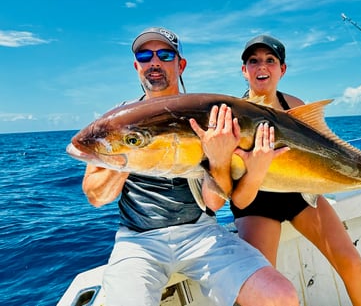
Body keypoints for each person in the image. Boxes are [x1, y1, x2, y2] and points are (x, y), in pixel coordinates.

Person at [81, 27, 299, 306]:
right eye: (145, 55)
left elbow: (213, 203)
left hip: (201, 232)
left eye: (165, 55)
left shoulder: (207, 115)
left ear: (180, 64)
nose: (154, 62)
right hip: (138, 241)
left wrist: (218, 158)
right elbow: (96, 196)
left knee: (280, 295)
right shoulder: (117, 121)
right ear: (136, 66)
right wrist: (128, 146)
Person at [230, 35, 361, 306]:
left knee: (352, 264)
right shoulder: (233, 113)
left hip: (300, 195)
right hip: (255, 201)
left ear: (282, 69)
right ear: (244, 71)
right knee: (259, 290)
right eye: (253, 61)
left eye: (270, 60)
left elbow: (332, 154)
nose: (261, 66)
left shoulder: (295, 106)